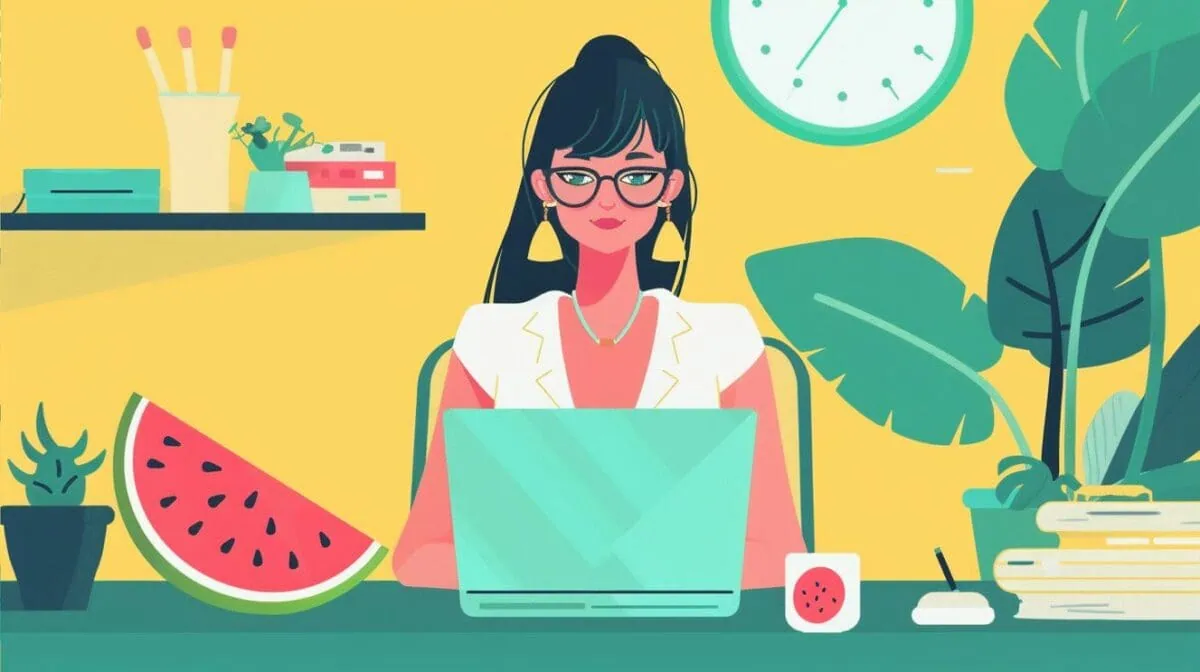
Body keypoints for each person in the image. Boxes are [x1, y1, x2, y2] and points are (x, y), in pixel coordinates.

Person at [393, 35, 806, 590]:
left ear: (669, 189)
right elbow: (421, 556)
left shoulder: (724, 341)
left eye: (636, 177)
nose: (606, 201)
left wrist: (577, 572)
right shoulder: (489, 341)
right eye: (580, 177)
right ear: (544, 187)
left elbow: (779, 553)